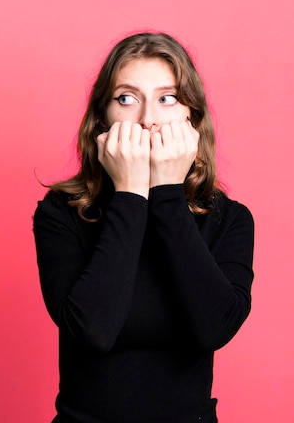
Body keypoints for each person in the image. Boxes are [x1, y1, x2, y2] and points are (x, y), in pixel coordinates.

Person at [32, 32, 255, 423]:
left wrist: (166, 193)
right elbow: (93, 330)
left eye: (167, 98)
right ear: (103, 118)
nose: (148, 119)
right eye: (127, 98)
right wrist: (131, 192)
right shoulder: (61, 213)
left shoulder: (230, 220)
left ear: (192, 118)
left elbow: (214, 328)